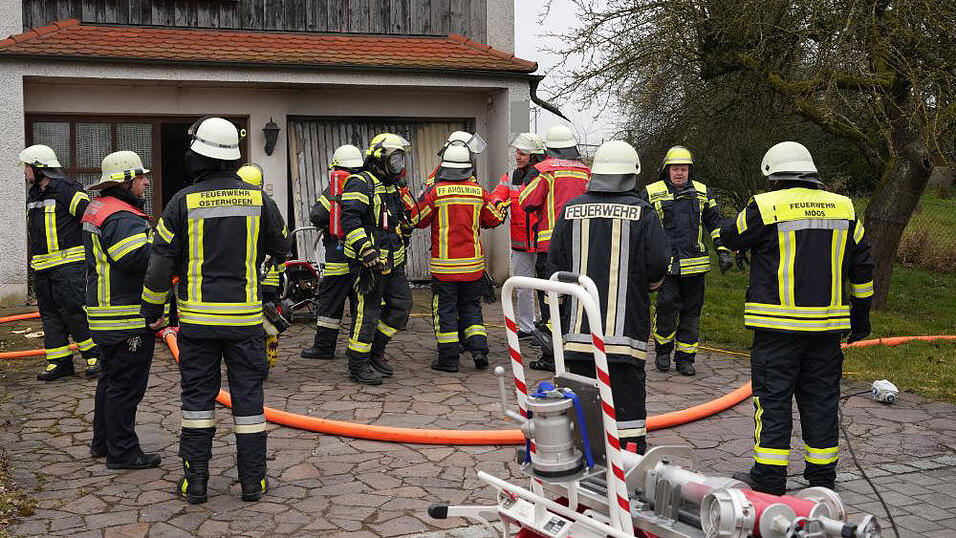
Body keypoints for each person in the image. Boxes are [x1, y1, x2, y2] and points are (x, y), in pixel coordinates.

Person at [141, 117, 289, 504]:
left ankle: (196, 485)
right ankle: (253, 484)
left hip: (197, 324)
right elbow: (282, 247)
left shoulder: (181, 202)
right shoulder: (259, 199)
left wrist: (152, 310)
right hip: (245, 322)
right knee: (249, 403)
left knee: (197, 403)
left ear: (199, 157)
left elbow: (160, 263)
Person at [719, 141, 874, 496]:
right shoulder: (845, 208)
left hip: (777, 329)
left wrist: (744, 245)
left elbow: (731, 234)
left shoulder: (766, 205)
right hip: (826, 330)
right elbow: (863, 265)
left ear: (772, 174)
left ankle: (769, 479)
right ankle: (822, 480)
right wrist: (861, 313)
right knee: (821, 402)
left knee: (773, 402)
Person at [548, 140, 670, 454]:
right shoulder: (642, 212)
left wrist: (559, 318)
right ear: (633, 174)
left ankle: (585, 466)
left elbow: (554, 266)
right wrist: (650, 286)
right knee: (627, 411)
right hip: (624, 338)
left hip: (577, 336)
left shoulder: (571, 210)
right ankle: (627, 469)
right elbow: (658, 262)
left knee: (581, 410)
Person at [84, 151, 161, 470]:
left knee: (110, 381)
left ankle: (103, 443)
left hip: (105, 313)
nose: (145, 182)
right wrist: (163, 254)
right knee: (126, 387)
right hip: (125, 316)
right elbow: (133, 260)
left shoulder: (100, 207)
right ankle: (123, 452)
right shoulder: (122, 216)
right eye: (140, 177)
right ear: (125, 181)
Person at [410, 144, 506, 372]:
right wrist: (501, 206)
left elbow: (418, 219)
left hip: (445, 268)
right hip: (473, 267)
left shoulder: (436, 192)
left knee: (445, 310)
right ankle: (479, 350)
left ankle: (449, 359)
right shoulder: (479, 191)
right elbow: (493, 219)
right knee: (471, 307)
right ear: (467, 168)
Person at [642, 146, 734, 376]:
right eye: (675, 169)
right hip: (667, 266)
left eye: (683, 169)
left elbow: (715, 224)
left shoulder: (703, 193)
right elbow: (641, 226)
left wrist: (722, 250)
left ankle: (686, 358)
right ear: (667, 170)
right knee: (666, 310)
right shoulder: (652, 193)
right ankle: (663, 352)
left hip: (695, 266)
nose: (679, 173)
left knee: (691, 313)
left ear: (689, 171)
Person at [21, 144, 101, 381]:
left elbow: (89, 218)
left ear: (39, 167)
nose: (24, 172)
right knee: (49, 315)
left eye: (27, 166)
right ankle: (59, 361)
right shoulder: (35, 194)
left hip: (69, 266)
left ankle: (94, 356)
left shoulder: (67, 189)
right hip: (43, 267)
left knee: (75, 312)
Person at [339, 133, 414, 385]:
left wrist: (404, 227)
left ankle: (375, 351)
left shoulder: (393, 186)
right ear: (380, 159)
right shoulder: (359, 182)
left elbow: (394, 219)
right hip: (367, 263)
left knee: (401, 306)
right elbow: (349, 221)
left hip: (393, 260)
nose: (399, 165)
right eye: (395, 159)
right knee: (368, 312)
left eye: (401, 160)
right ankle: (357, 364)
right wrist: (366, 250)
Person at [519, 124, 590, 370]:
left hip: (550, 248)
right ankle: (576, 352)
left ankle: (551, 357)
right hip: (582, 246)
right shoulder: (586, 172)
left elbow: (526, 201)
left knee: (552, 302)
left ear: (549, 150)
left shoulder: (545, 170)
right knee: (576, 301)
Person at [300, 145, 365, 360]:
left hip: (338, 258)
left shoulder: (336, 188)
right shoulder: (368, 185)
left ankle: (324, 348)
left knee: (330, 305)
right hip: (361, 257)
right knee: (361, 306)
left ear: (336, 167)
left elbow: (316, 215)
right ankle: (358, 347)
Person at [490, 133, 546, 339]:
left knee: (548, 287)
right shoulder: (511, 175)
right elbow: (496, 195)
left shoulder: (544, 175)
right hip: (521, 241)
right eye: (517, 152)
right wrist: (498, 204)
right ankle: (527, 327)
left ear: (534, 156)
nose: (518, 156)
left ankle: (546, 324)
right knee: (523, 286)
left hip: (542, 241)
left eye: (522, 153)